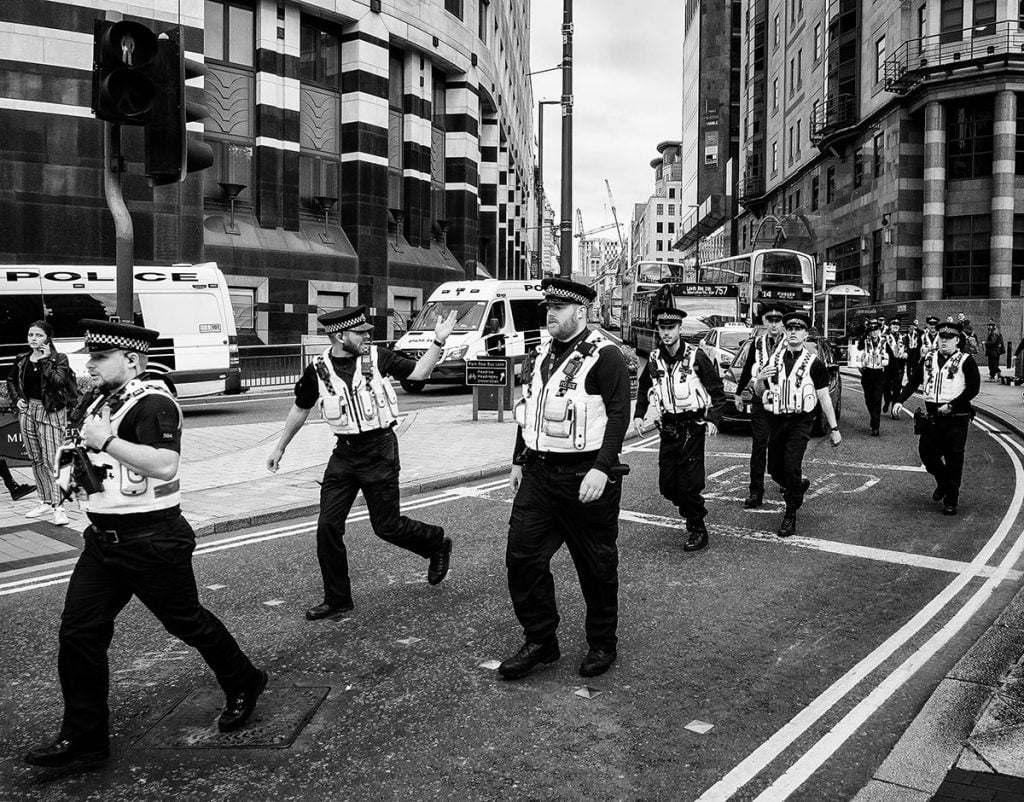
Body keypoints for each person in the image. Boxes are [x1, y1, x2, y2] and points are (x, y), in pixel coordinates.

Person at [24, 320, 266, 770]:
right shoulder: (101, 399)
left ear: (131, 361)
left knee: (187, 623)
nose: (90, 365)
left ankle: (245, 680)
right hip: (103, 540)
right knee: (80, 634)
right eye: (90, 357)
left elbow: (166, 465)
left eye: (99, 358)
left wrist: (108, 441)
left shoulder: (153, 401)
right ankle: (85, 740)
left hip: (152, 538)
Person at [267, 305, 457, 621]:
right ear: (340, 336)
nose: (368, 336)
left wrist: (438, 342)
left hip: (379, 451)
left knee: (387, 527)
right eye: (361, 333)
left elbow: (418, 374)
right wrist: (280, 447)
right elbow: (301, 408)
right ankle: (337, 599)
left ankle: (436, 543)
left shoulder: (378, 358)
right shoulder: (318, 369)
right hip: (344, 454)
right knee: (327, 526)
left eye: (368, 332)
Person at [499, 277, 630, 681]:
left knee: (596, 566)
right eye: (547, 308)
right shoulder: (539, 357)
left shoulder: (605, 356)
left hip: (584, 474)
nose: (550, 314)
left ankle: (602, 642)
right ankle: (541, 640)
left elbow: (619, 414)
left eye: (558, 308)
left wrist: (601, 467)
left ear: (581, 312)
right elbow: (528, 411)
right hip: (539, 475)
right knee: (522, 558)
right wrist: (519, 459)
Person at [632, 306, 726, 551]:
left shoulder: (696, 357)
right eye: (662, 328)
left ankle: (697, 528)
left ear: (679, 329)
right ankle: (691, 512)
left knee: (689, 484)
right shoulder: (654, 360)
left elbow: (717, 391)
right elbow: (643, 389)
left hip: (692, 427)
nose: (666, 333)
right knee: (667, 486)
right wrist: (639, 415)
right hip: (668, 427)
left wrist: (713, 419)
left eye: (671, 328)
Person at [752, 311, 842, 538]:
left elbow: (823, 398)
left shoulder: (814, 363)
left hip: (801, 421)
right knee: (774, 469)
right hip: (777, 419)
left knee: (792, 465)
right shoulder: (775, 359)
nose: (793, 332)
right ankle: (797, 486)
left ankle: (790, 513)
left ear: (805, 335)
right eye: (790, 328)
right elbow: (760, 392)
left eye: (798, 329)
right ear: (785, 331)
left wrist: (834, 428)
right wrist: (760, 378)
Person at [893, 320, 979, 515]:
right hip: (933, 416)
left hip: (957, 416)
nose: (944, 341)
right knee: (927, 453)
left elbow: (973, 389)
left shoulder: (966, 360)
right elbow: (914, 381)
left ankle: (951, 499)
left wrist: (952, 405)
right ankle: (943, 482)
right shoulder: (929, 357)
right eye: (941, 337)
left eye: (949, 338)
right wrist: (900, 400)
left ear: (957, 340)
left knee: (954, 457)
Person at [6, 320, 73, 525]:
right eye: (30, 335)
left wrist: (45, 361)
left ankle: (59, 506)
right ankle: (44, 500)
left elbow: (58, 382)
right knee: (35, 458)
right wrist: (17, 399)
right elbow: (11, 380)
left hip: (51, 411)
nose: (33, 339)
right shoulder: (22, 359)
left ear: (48, 338)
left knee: (53, 458)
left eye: (38, 335)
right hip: (28, 410)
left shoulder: (58, 358)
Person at [732, 304, 788, 508]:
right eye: (770, 320)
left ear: (783, 323)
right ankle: (756, 492)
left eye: (778, 321)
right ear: (764, 322)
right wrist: (738, 393)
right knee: (759, 446)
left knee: (780, 445)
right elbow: (747, 368)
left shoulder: (789, 343)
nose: (774, 325)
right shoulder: (757, 343)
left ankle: (784, 480)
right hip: (760, 401)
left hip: (783, 402)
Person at [855, 320, 889, 436]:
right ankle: (873, 417)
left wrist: (886, 361)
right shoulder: (863, 342)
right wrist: (861, 366)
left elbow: (889, 357)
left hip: (879, 373)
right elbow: (858, 356)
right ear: (869, 332)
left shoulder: (884, 341)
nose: (874, 333)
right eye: (872, 331)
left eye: (876, 330)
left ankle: (876, 426)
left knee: (877, 399)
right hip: (868, 373)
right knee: (868, 399)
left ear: (879, 331)